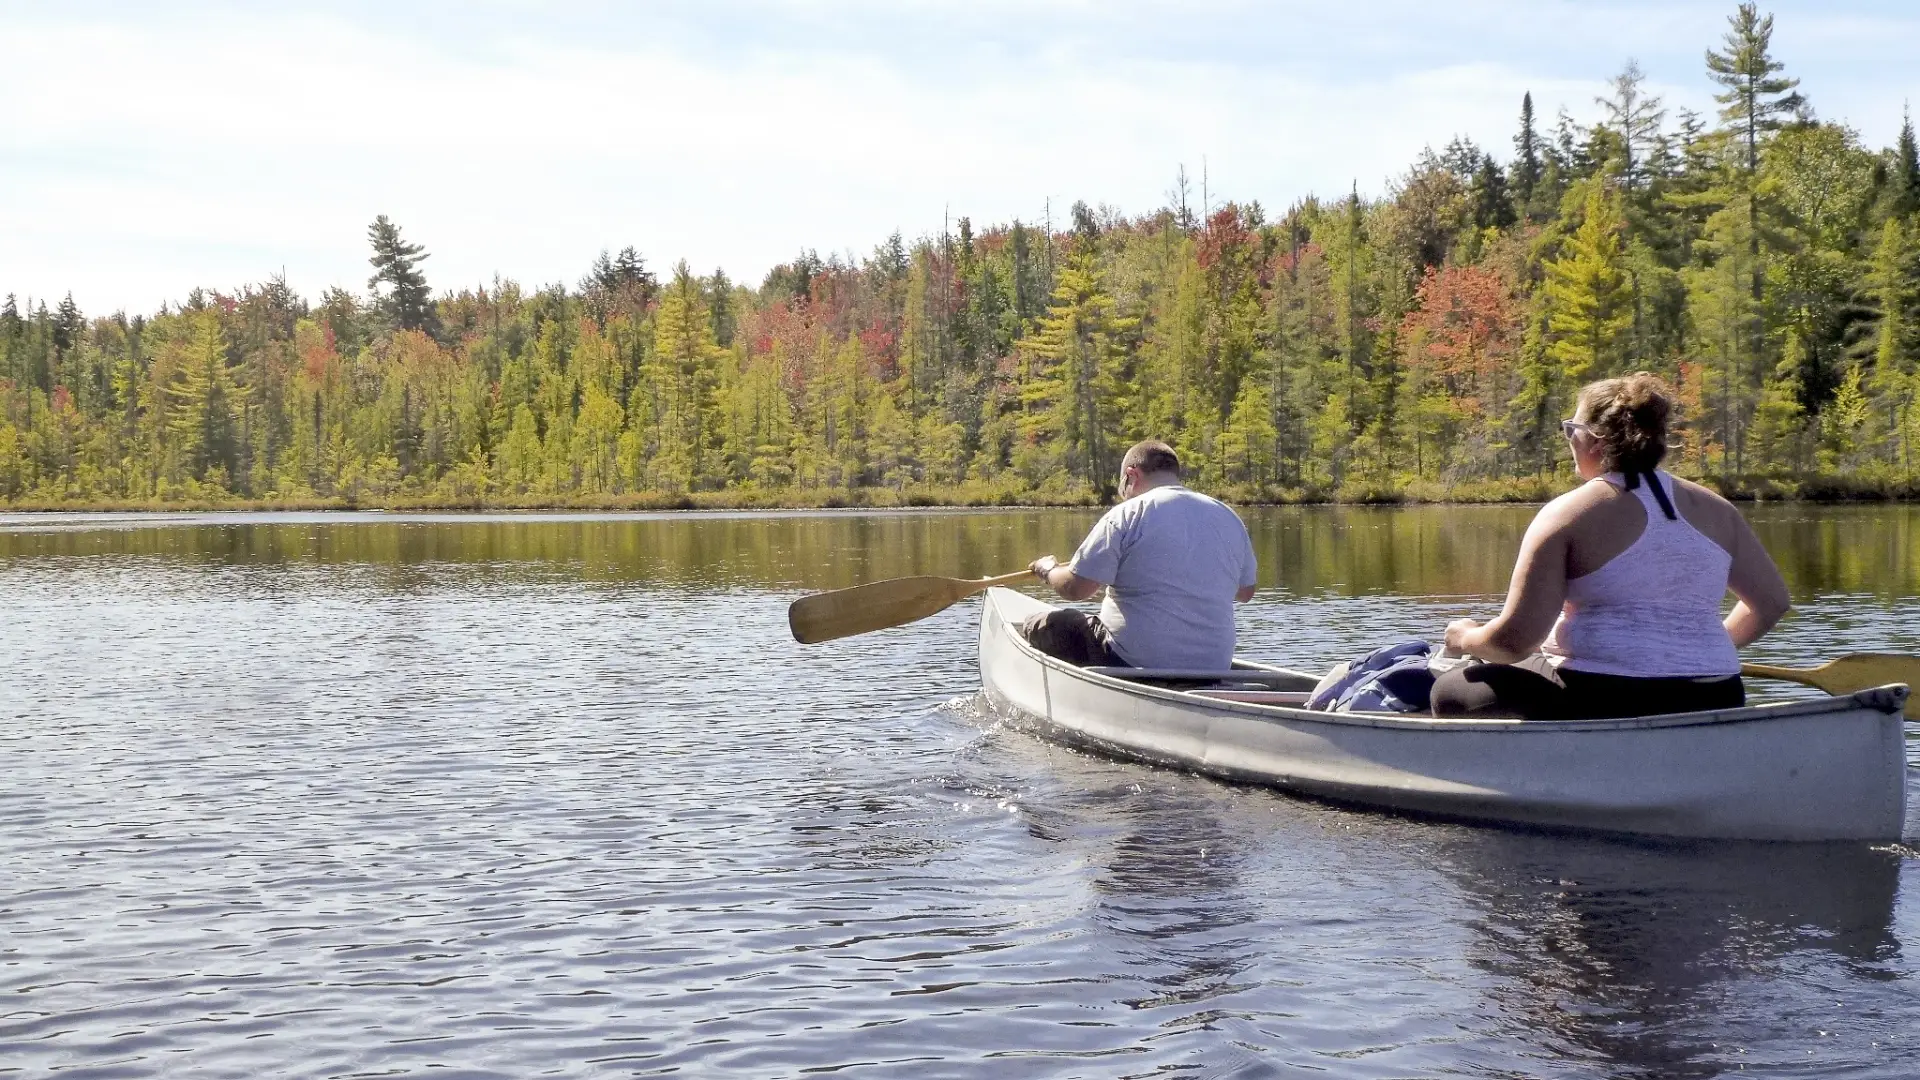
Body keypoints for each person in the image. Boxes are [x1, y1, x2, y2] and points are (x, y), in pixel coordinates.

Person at [1432, 373, 1791, 720]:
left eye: (1571, 431)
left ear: (1594, 440)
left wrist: (1464, 637)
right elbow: (1772, 603)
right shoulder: (1717, 509)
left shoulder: (1569, 513)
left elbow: (1514, 643)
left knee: (1448, 689)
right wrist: (1690, 651)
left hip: (1606, 697)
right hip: (1717, 692)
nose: (1569, 441)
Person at [1023, 440, 1259, 670]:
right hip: (1213, 666)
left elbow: (1074, 589)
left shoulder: (1127, 514)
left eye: (1123, 488)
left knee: (1044, 624)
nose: (1124, 495)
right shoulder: (1228, 517)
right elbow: (1245, 592)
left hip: (1131, 660)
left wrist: (1049, 570)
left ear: (1131, 475)